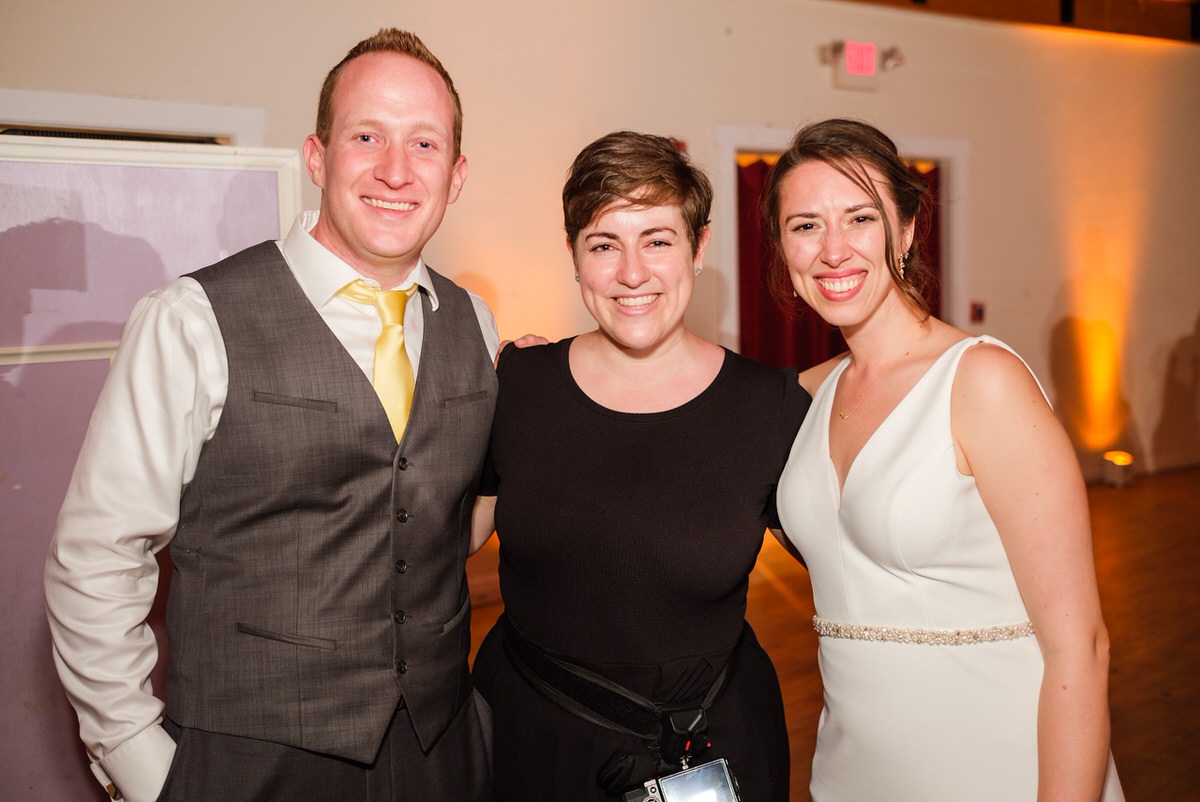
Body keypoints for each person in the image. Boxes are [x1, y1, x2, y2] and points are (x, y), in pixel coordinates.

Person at [44, 28, 497, 802]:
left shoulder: (473, 322)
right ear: (317, 157)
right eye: (367, 136)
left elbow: (447, 518)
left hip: (438, 749)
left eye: (424, 143)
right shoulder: (190, 319)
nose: (395, 169)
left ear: (455, 176)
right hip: (250, 760)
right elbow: (97, 557)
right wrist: (142, 764)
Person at [765, 118, 1124, 801]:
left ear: (904, 231)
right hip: (851, 776)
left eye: (860, 218)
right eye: (805, 226)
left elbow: (1083, 649)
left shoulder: (982, 382)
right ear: (784, 249)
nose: (832, 250)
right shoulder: (810, 393)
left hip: (998, 769)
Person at [469, 130, 810, 801]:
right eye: (604, 244)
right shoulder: (516, 386)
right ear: (574, 255)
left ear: (699, 247)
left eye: (657, 239)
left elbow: (859, 577)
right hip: (535, 742)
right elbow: (439, 544)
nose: (632, 273)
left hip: (711, 743)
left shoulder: (768, 407)